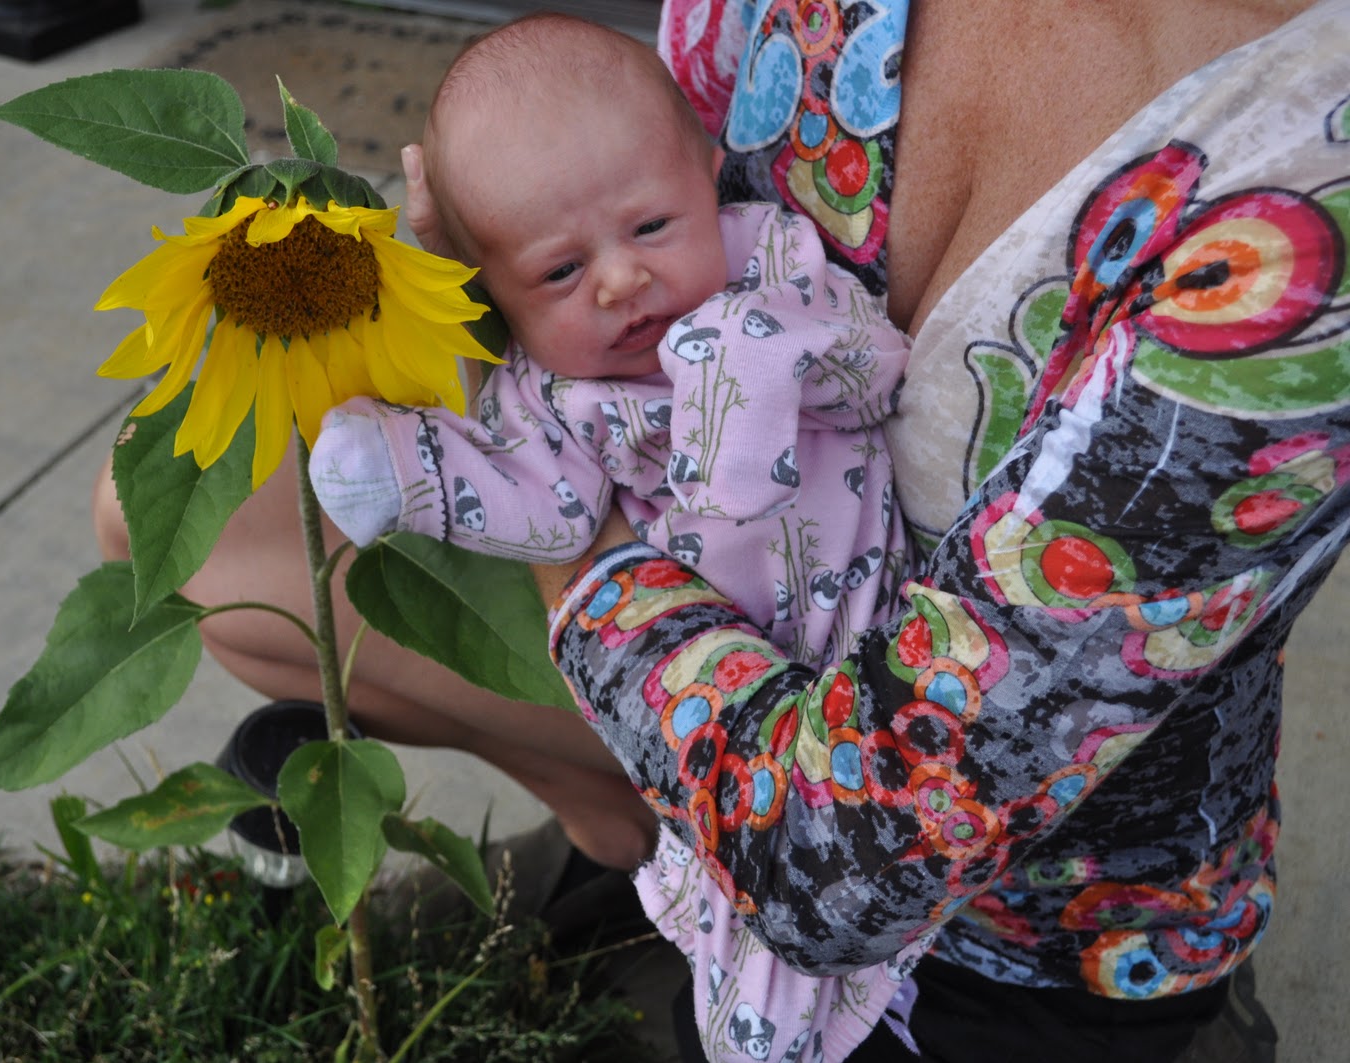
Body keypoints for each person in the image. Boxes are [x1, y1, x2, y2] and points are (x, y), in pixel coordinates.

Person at [89, 1, 1350, 1058]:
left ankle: (1170, 1029)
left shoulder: (1305, 212)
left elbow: (842, 864)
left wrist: (557, 504)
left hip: (997, 909)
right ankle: (625, 829)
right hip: (715, 617)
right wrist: (488, 297)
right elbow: (620, 147)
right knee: (207, 536)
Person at [303, 15, 922, 1060]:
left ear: (706, 173)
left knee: (846, 876)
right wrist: (414, 467)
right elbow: (547, 510)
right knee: (754, 945)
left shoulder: (769, 264)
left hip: (868, 638)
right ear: (494, 290)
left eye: (650, 225)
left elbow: (875, 370)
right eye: (557, 273)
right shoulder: (555, 390)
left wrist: (746, 354)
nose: (620, 281)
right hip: (719, 680)